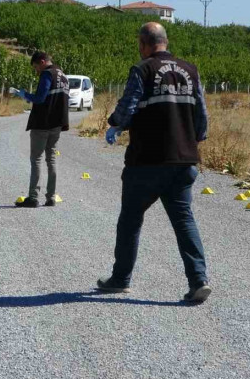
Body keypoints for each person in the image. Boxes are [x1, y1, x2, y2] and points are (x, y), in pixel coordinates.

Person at [97, 22, 211, 303]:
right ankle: (199, 280)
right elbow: (202, 114)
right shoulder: (190, 69)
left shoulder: (143, 69)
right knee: (184, 220)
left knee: (130, 220)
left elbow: (129, 104)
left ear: (144, 44)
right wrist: (192, 141)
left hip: (146, 161)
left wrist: (114, 124)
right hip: (183, 160)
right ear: (166, 41)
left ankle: (120, 279)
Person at [12, 52, 70, 208]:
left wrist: (24, 95)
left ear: (43, 62)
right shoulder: (63, 75)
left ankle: (33, 197)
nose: (37, 71)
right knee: (51, 159)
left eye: (36, 67)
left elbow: (40, 98)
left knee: (36, 159)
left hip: (42, 124)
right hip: (57, 125)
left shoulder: (47, 74)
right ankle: (51, 197)